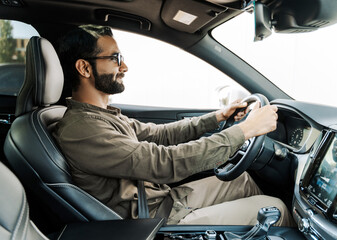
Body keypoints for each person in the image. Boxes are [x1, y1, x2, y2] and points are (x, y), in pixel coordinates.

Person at [53, 25, 294, 226]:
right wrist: (245, 130)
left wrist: (218, 116)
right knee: (275, 209)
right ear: (84, 68)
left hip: (163, 200)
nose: (124, 67)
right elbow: (164, 163)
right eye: (115, 59)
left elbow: (160, 135)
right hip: (155, 221)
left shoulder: (102, 116)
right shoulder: (82, 130)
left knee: (242, 181)